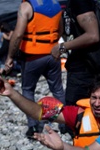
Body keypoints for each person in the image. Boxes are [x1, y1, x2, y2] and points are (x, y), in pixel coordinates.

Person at [4, 0, 65, 139]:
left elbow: (18, 34)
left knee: (28, 89)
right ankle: (65, 124)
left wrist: (10, 57)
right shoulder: (56, 4)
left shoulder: (26, 6)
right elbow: (60, 30)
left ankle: (33, 126)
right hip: (53, 54)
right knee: (57, 89)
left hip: (33, 56)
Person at [50, 0, 99, 106]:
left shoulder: (80, 3)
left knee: (75, 110)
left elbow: (93, 35)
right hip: (79, 66)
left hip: (86, 68)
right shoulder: (69, 4)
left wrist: (62, 47)